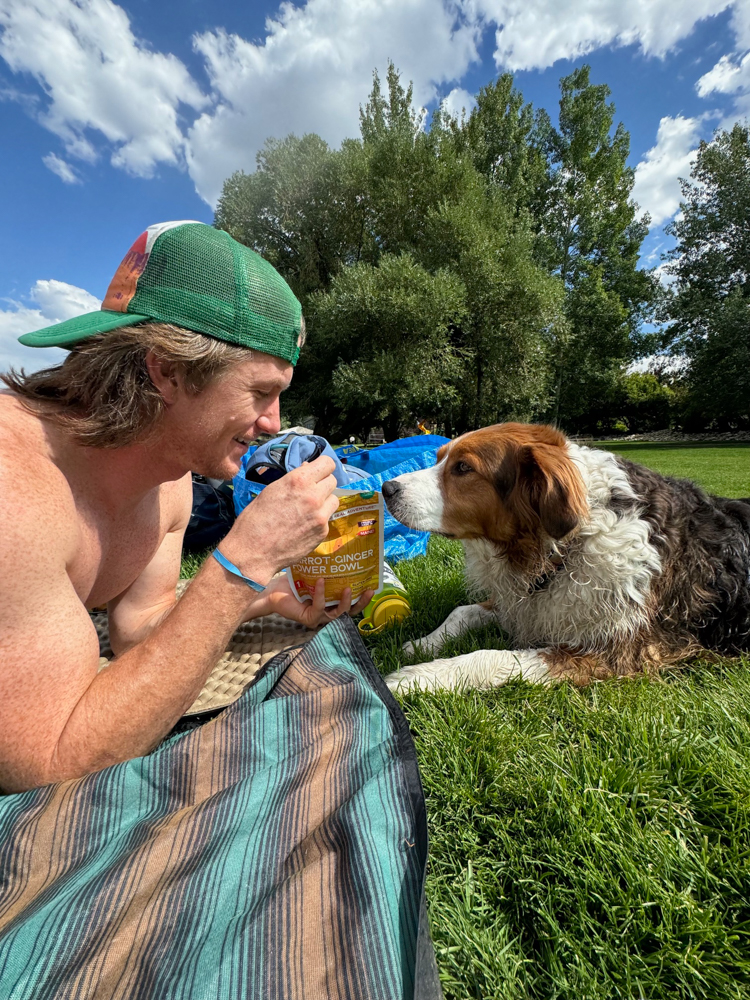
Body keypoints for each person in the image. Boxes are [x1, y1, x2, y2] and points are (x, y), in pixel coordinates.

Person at [0, 221, 372, 793]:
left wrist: (266, 597)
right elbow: (49, 765)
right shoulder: (18, 492)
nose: (274, 423)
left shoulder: (169, 484)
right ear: (168, 370)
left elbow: (136, 631)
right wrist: (242, 560)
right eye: (260, 392)